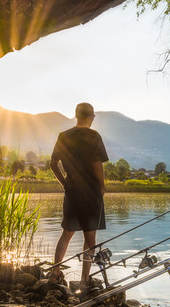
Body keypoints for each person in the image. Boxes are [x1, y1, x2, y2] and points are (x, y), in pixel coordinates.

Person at [50, 102, 108, 289]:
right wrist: (102, 187)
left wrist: (64, 183)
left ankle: (55, 273)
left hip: (72, 191)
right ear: (91, 116)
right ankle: (85, 279)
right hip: (91, 192)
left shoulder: (64, 136)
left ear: (76, 115)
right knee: (89, 237)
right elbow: (98, 165)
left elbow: (53, 163)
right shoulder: (94, 136)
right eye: (93, 116)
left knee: (66, 233)